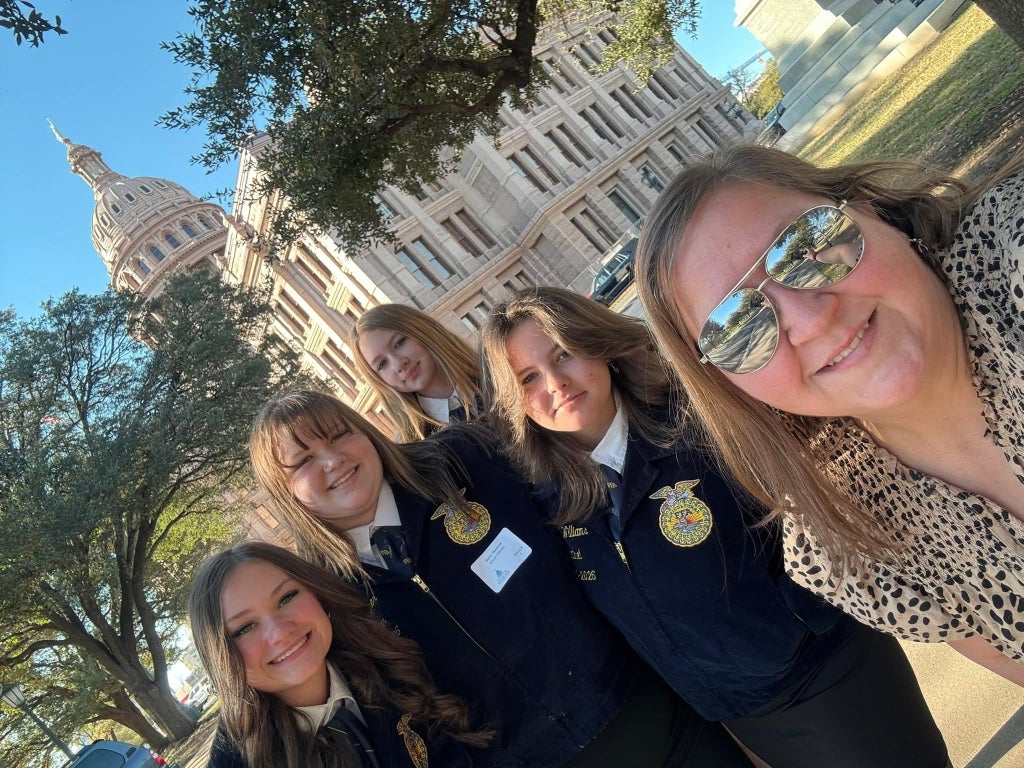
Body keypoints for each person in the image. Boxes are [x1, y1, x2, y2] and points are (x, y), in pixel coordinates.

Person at [478, 286, 950, 768]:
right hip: (735, 714)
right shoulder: (549, 501)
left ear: (597, 345)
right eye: (529, 378)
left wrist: (795, 622)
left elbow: (806, 505)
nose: (555, 383)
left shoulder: (697, 419)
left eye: (564, 354)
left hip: (824, 670)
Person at [635, 142, 1024, 687]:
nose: (809, 321)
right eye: (738, 329)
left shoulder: (1012, 258)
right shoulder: (842, 545)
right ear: (726, 383)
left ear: (865, 209)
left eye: (808, 245)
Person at [248, 389, 755, 768]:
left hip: (650, 715)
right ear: (285, 488)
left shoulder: (466, 461)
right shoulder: (324, 598)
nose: (334, 460)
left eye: (340, 435)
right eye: (304, 460)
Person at [189, 541, 488, 768]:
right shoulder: (237, 760)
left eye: (287, 598)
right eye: (244, 628)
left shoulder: (393, 661)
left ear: (317, 594)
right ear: (221, 658)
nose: (279, 632)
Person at [352, 304, 482, 441]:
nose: (398, 364)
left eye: (399, 343)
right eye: (382, 364)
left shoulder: (499, 371)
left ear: (421, 329)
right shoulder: (413, 451)